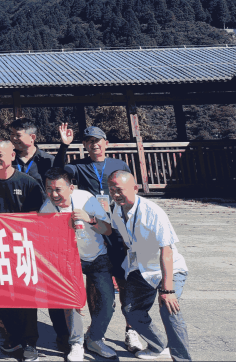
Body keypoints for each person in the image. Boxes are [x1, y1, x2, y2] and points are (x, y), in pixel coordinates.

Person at [54, 124, 142, 353]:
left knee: (125, 278)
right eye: (89, 141)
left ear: (106, 143)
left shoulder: (119, 165)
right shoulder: (78, 167)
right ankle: (95, 333)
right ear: (84, 145)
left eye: (98, 140)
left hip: (119, 228)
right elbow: (57, 172)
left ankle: (131, 329)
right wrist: (64, 145)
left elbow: (132, 192)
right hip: (94, 229)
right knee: (96, 284)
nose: (94, 144)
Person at [0, 139, 45, 362]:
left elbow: (41, 217)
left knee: (26, 295)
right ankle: (13, 336)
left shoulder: (28, 183)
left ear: (12, 155)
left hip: (22, 248)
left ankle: (30, 342)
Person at [108, 171, 192, 362]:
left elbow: (167, 251)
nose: (115, 194)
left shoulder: (153, 212)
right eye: (112, 190)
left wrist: (168, 290)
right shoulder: (117, 210)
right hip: (141, 268)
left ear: (135, 188)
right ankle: (158, 346)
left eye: (119, 190)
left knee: (169, 310)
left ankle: (182, 359)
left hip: (168, 269)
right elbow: (123, 241)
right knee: (131, 311)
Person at [39, 168, 117, 362]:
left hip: (96, 256)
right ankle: (76, 343)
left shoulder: (87, 199)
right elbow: (45, 243)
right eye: (49, 189)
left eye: (58, 189)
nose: (53, 195)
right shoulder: (46, 209)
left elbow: (108, 230)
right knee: (72, 301)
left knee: (107, 302)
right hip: (68, 259)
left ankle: (95, 338)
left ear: (71, 188)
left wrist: (89, 219)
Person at [8, 118, 55, 184]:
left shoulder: (47, 160)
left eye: (18, 135)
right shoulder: (7, 159)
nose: (14, 138)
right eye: (12, 134)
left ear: (32, 137)